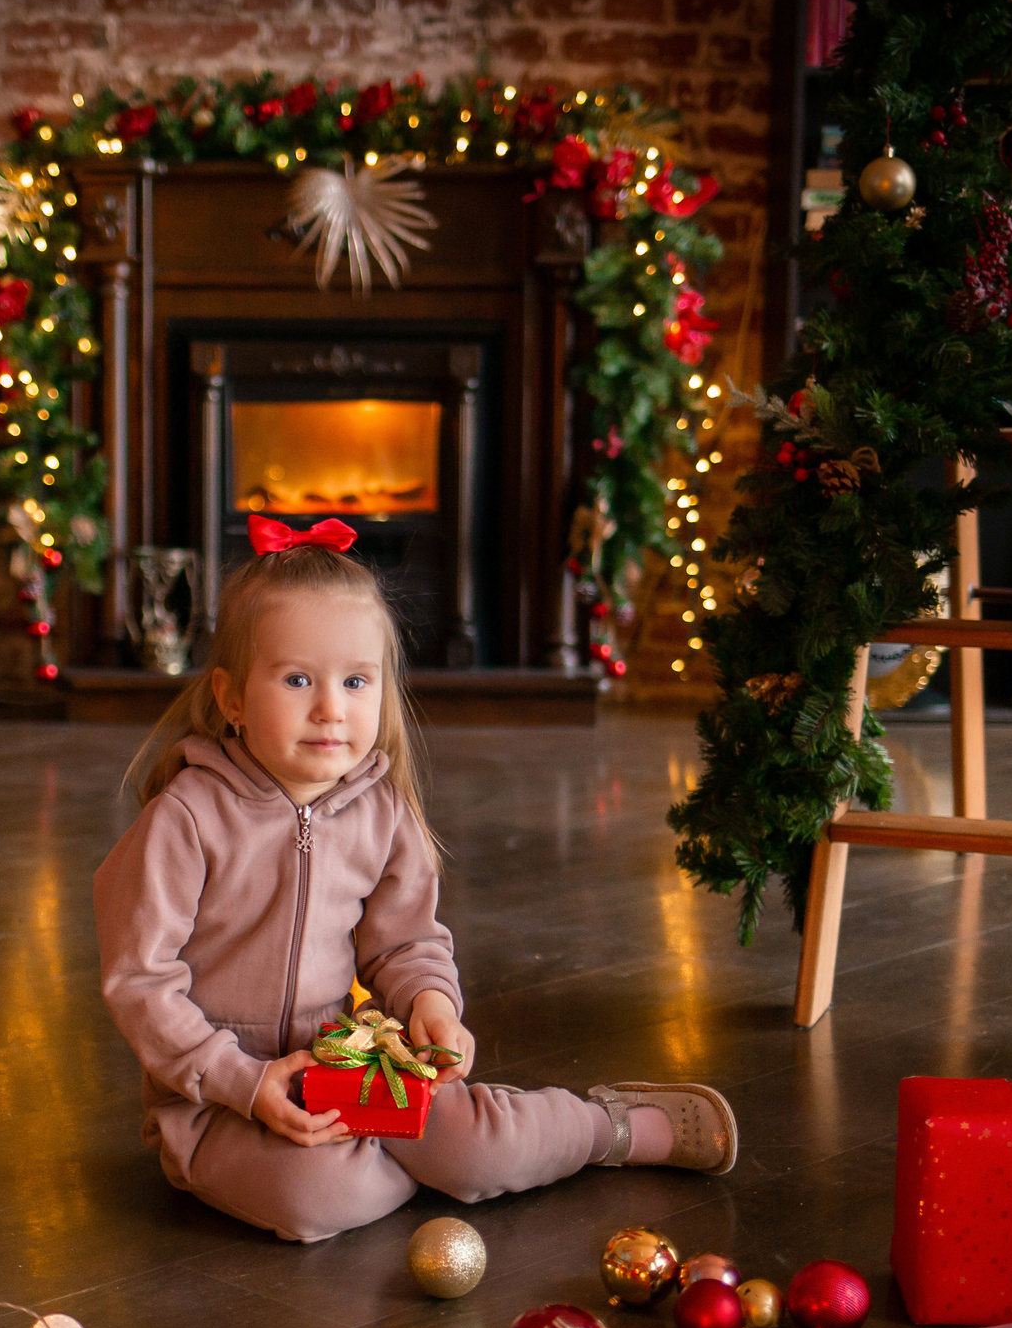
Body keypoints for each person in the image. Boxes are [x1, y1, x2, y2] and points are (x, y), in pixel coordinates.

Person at [94, 516, 737, 1243]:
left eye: (356, 680)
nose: (331, 707)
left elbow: (404, 943)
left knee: (473, 1142)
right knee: (314, 1201)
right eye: (297, 678)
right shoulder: (185, 818)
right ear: (232, 696)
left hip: (350, 1065)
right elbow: (140, 983)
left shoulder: (381, 809)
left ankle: (604, 1128)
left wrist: (431, 1003)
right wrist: (244, 1081)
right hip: (214, 1101)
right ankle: (452, 1157)